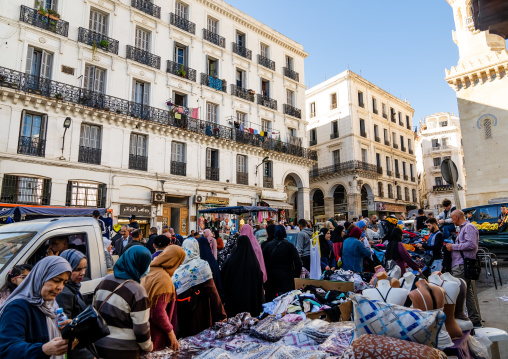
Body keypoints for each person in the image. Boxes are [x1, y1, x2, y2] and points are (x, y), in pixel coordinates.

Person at [0, 256, 73, 359]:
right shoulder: (17, 308)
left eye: (64, 283)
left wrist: (65, 329)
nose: (60, 287)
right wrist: (43, 349)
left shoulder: (50, 304)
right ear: (40, 277)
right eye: (56, 280)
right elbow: (7, 349)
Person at [93, 246, 153, 359]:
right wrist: (148, 347)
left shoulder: (105, 280)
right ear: (139, 263)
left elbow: (94, 310)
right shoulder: (137, 291)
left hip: (99, 346)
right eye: (147, 263)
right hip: (123, 351)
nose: (148, 267)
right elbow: (141, 329)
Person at [172, 238, 227, 337]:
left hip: (180, 311)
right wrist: (222, 315)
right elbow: (212, 292)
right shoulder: (201, 265)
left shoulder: (177, 265)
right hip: (199, 311)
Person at [142, 245, 185, 351]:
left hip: (144, 327)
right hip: (156, 333)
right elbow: (158, 313)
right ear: (174, 262)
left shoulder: (150, 269)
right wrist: (171, 333)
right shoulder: (163, 279)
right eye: (179, 263)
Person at [445, 210, 482, 327]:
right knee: (466, 293)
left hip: (462, 265)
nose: (451, 220)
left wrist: (453, 247)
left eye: (452, 218)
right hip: (460, 265)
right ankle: (474, 319)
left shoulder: (469, 227)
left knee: (458, 292)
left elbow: (471, 244)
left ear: (457, 217)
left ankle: (461, 318)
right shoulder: (463, 228)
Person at [57, 249, 95, 359]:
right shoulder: (64, 293)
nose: (83, 273)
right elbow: (66, 332)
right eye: (78, 269)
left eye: (84, 268)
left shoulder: (73, 288)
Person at [220, 235, 264, 317]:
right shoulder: (254, 262)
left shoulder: (231, 261)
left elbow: (223, 275)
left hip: (234, 302)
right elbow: (259, 281)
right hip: (251, 302)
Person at [262, 225, 302, 301]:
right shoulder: (290, 246)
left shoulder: (268, 246)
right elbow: (298, 263)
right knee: (287, 301)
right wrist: (295, 275)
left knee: (272, 302)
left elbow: (263, 263)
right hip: (287, 278)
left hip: (272, 278)